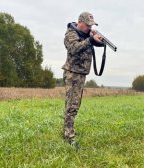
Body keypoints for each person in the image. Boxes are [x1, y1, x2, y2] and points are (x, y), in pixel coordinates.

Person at [62, 12, 104, 147]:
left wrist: (98, 41)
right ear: (79, 22)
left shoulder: (85, 35)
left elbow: (87, 44)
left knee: (75, 104)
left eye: (91, 25)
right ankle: (68, 136)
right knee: (72, 106)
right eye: (87, 25)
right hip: (73, 74)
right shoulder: (70, 34)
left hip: (80, 73)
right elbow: (74, 48)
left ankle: (67, 130)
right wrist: (90, 40)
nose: (89, 28)